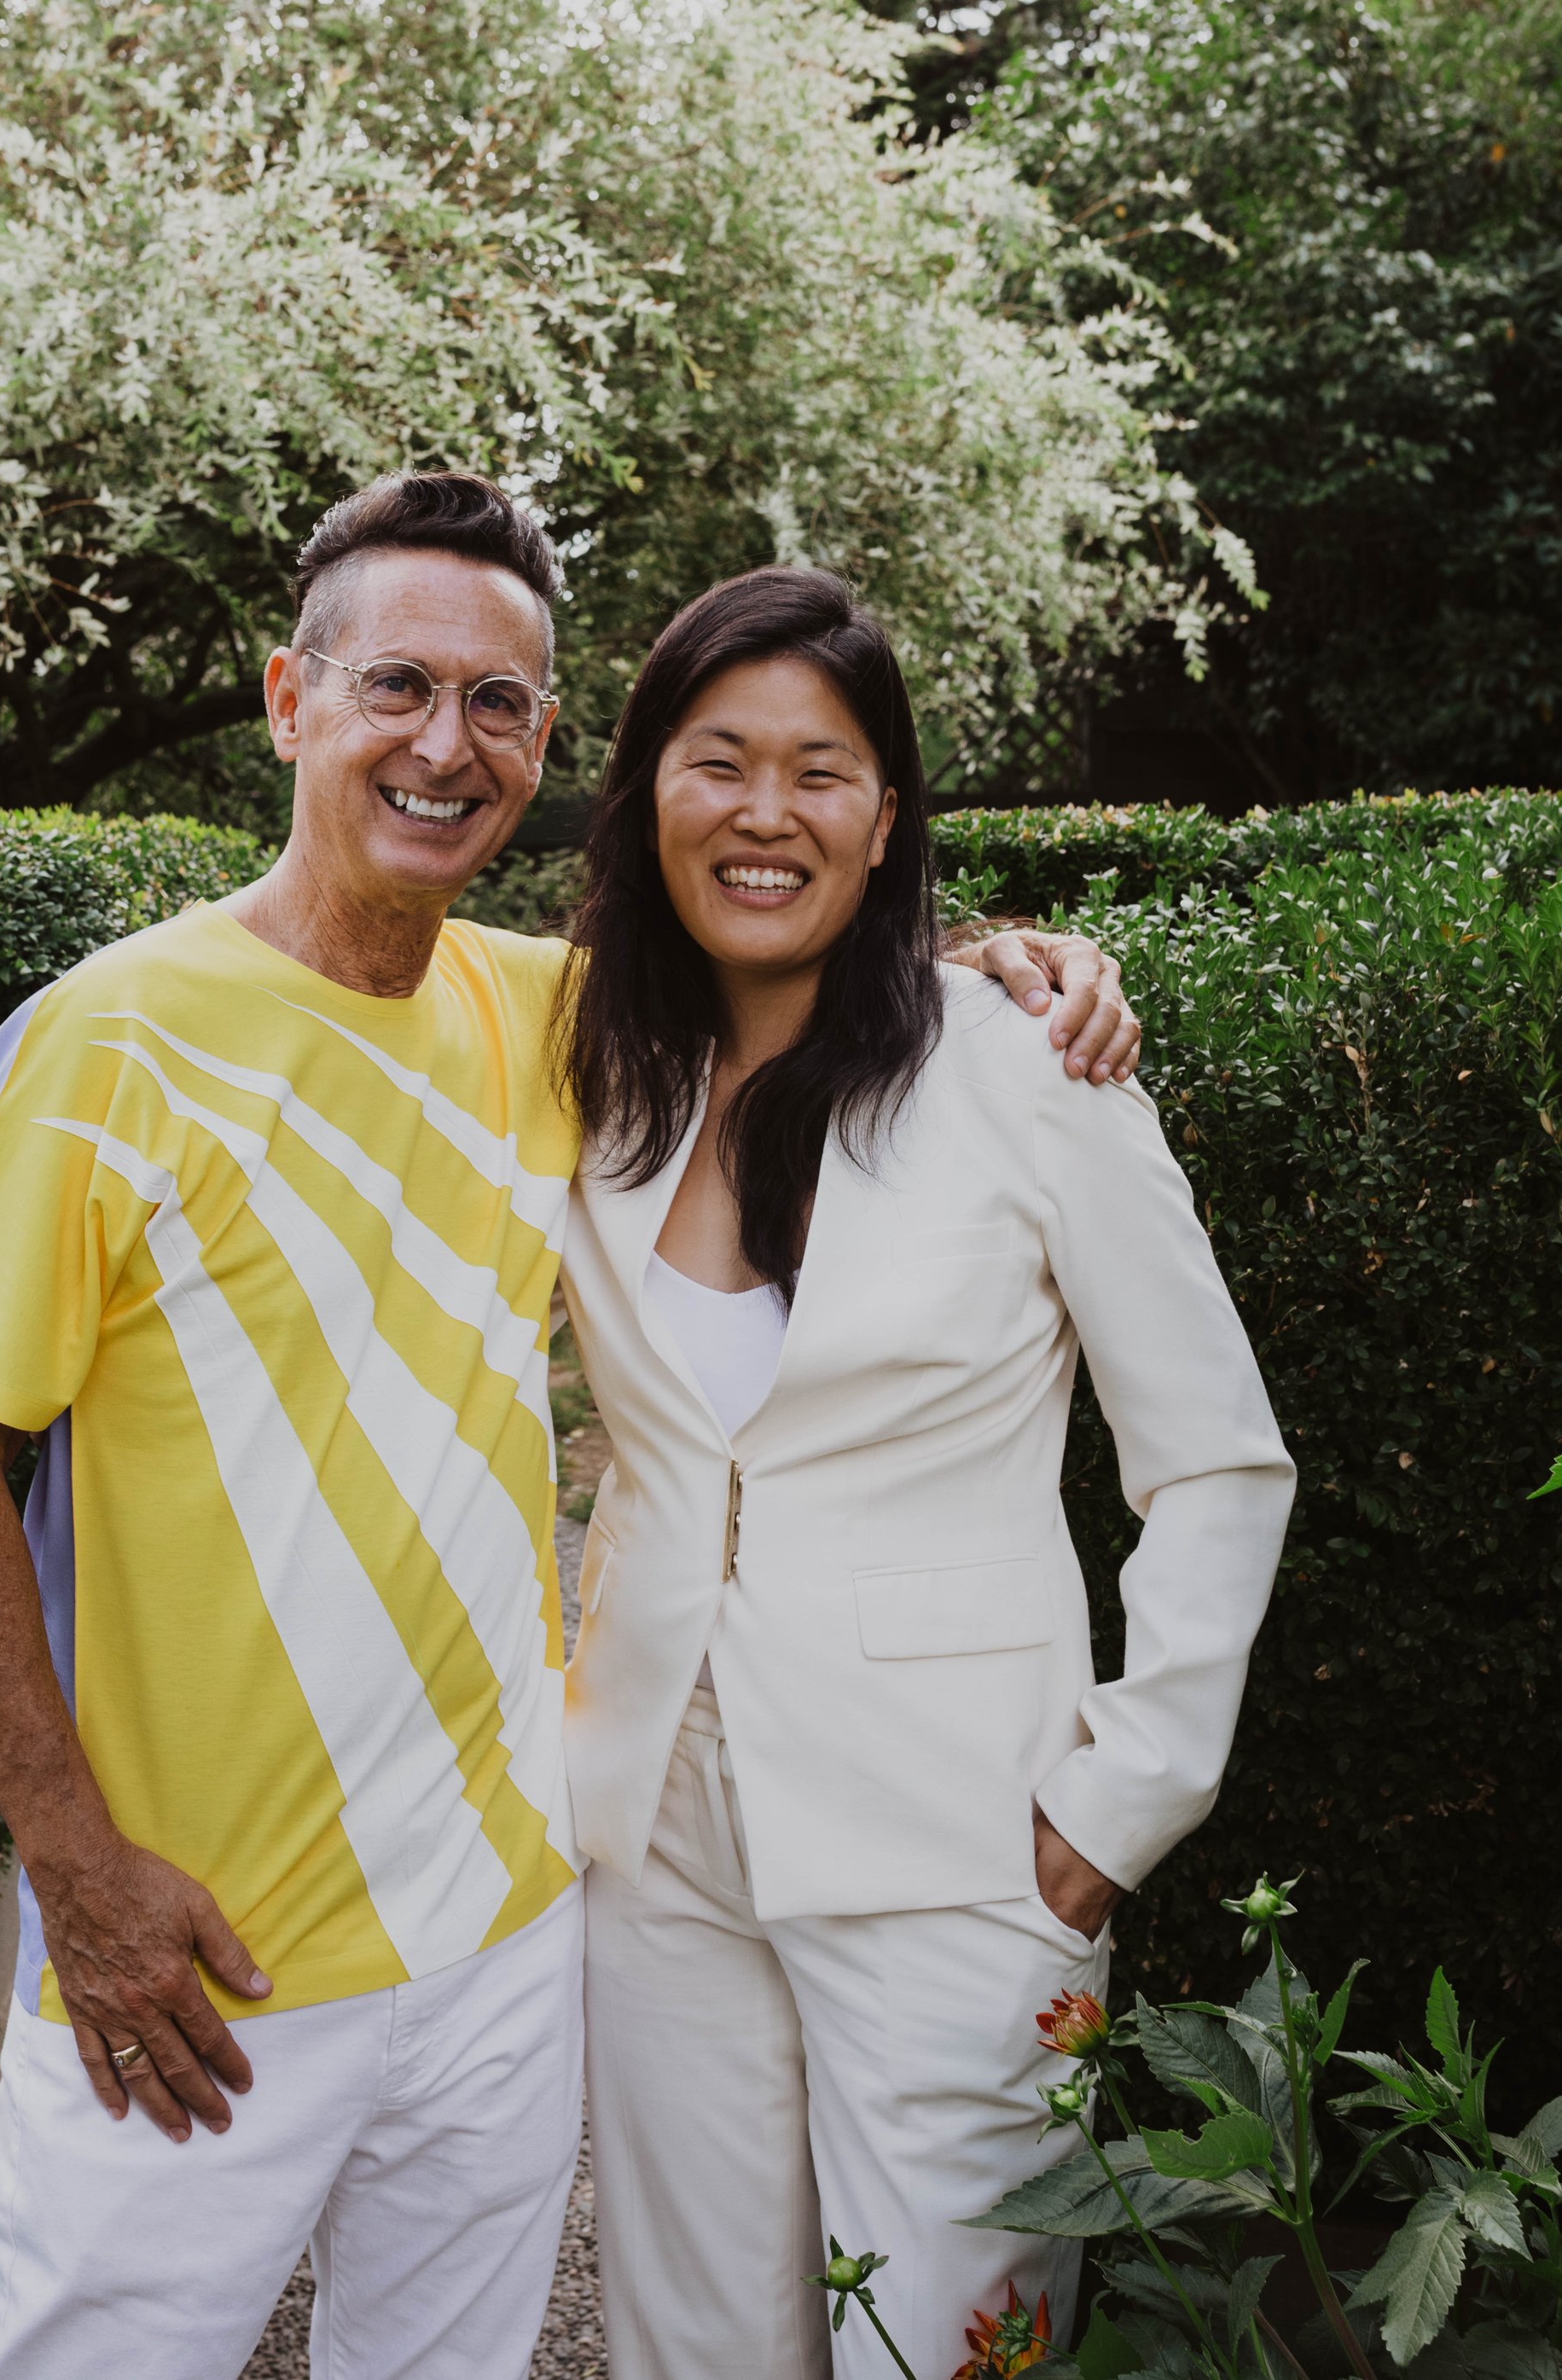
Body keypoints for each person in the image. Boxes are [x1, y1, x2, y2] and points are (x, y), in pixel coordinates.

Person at [0, 476, 1137, 2380]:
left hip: (503, 1928)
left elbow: (791, 956)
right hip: (202, 1950)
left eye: (498, 707)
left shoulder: (546, 1017)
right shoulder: (105, 1043)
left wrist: (1008, 961)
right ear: (288, 702)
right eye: (396, 686)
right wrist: (75, 1869)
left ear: (545, 746)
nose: (443, 745)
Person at [554, 566, 1297, 2380]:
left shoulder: (1027, 1066)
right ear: (647, 790)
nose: (762, 812)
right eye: (715, 760)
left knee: (951, 2353)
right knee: (690, 2348)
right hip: (652, 1826)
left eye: (819, 770)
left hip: (969, 1843)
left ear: (886, 818)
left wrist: (1112, 1818)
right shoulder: (578, 1063)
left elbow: (1214, 1459)